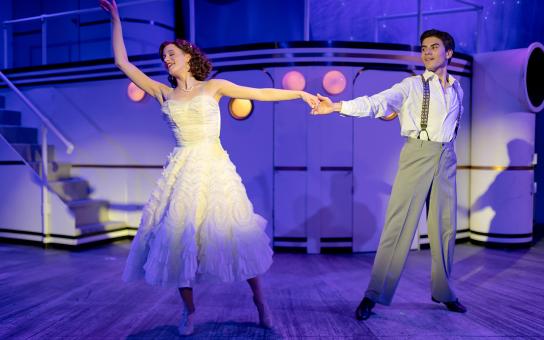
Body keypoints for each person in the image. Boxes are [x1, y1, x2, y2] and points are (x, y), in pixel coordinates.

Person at [99, 0, 318, 335]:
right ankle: (189, 311)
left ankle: (260, 302)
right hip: (181, 171)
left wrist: (299, 94)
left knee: (236, 234)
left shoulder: (214, 87)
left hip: (214, 169)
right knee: (178, 241)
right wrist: (116, 19)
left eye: (172, 53)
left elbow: (259, 92)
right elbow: (122, 62)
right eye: (164, 57)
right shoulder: (162, 92)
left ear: (189, 56)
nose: (166, 59)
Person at [312, 29, 467, 320]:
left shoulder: (459, 88)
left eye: (435, 47)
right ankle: (374, 294)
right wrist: (337, 106)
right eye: (424, 48)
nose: (428, 52)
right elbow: (376, 103)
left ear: (449, 53)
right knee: (399, 228)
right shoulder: (411, 86)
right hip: (418, 153)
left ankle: (444, 292)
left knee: (445, 229)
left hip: (447, 157)